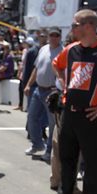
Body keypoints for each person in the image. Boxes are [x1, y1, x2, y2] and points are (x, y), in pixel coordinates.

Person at [39, 9, 97, 194]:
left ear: (88, 26)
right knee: (66, 159)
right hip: (69, 114)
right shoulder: (71, 50)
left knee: (92, 165)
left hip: (91, 117)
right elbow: (57, 65)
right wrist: (64, 83)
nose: (71, 29)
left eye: (75, 25)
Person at [24, 27, 63, 159]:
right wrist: (29, 84)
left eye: (56, 35)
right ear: (48, 36)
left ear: (60, 37)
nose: (53, 37)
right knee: (31, 118)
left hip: (52, 91)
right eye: (51, 35)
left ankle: (49, 151)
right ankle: (37, 145)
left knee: (52, 124)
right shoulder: (43, 49)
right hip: (38, 89)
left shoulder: (63, 52)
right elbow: (36, 69)